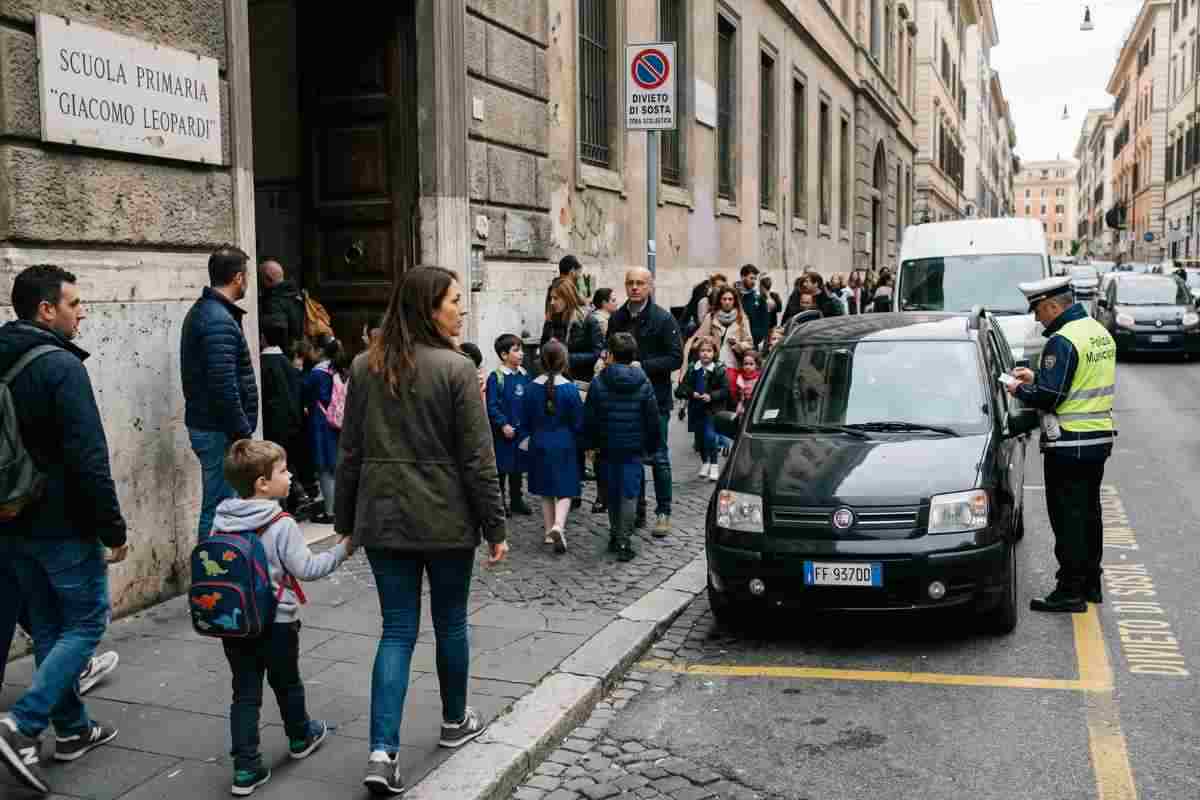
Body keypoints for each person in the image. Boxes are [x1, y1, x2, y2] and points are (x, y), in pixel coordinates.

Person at [334, 266, 508, 796]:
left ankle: (382, 753)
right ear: (429, 308)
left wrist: (345, 521)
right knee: (450, 623)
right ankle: (455, 721)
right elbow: (478, 458)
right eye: (454, 300)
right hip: (446, 519)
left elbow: (350, 452)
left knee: (396, 631)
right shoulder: (456, 369)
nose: (462, 309)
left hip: (384, 518)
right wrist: (495, 526)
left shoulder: (364, 365)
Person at [0, 264, 128, 794]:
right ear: (46, 309)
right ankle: (22, 724)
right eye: (74, 304)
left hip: (12, 518)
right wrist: (112, 527)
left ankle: (73, 731)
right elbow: (89, 457)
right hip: (62, 520)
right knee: (86, 622)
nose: (83, 313)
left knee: (50, 625)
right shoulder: (60, 366)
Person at [213, 440, 351, 795]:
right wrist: (343, 549)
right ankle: (300, 736)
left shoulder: (221, 518)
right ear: (262, 483)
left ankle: (246, 768)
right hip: (278, 622)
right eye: (283, 471)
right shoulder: (280, 522)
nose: (290, 476)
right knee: (287, 682)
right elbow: (307, 568)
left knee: (244, 693)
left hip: (236, 622)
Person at [1005, 276, 1116, 613]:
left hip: (1068, 442)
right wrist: (1037, 378)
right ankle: (1091, 583)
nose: (1037, 319)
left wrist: (1019, 388)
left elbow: (1050, 397)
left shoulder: (1062, 340)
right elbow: (1077, 381)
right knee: (1089, 514)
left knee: (1067, 518)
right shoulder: (1097, 332)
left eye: (1039, 311)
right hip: (1097, 438)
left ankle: (1069, 590)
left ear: (1053, 306)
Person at [182, 245, 259, 541]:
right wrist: (242, 433)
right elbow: (223, 384)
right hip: (219, 430)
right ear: (239, 277)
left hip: (215, 427)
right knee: (218, 508)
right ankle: (210, 566)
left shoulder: (210, 313)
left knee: (222, 505)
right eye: (247, 275)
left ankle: (221, 563)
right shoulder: (217, 319)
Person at [607, 267, 683, 536]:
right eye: (630, 283)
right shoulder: (617, 318)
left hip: (656, 399)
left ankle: (664, 512)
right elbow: (609, 349)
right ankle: (637, 510)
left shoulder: (663, 319)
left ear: (650, 286)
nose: (635, 287)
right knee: (632, 457)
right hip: (625, 400)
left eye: (640, 283)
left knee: (659, 457)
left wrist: (644, 366)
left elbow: (676, 358)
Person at [583, 333, 663, 561]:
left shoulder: (599, 381)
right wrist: (652, 445)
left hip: (606, 446)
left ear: (611, 354)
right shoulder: (643, 381)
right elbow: (652, 418)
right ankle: (624, 539)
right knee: (629, 493)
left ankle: (614, 533)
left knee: (612, 491)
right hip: (633, 447)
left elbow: (590, 417)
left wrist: (589, 444)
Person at [521, 341, 584, 555]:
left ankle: (549, 531)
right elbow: (578, 422)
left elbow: (525, 419)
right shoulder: (570, 389)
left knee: (545, 489)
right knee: (566, 488)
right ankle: (558, 524)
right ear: (563, 362)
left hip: (539, 441)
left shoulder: (530, 388)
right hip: (564, 442)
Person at [260, 316, 312, 518]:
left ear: (262, 337)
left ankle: (282, 508)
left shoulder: (263, 365)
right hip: (293, 426)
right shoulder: (288, 366)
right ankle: (294, 498)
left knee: (273, 469)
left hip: (273, 428)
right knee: (286, 466)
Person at [486, 334, 532, 516]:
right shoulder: (496, 377)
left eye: (521, 349)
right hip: (503, 433)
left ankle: (516, 500)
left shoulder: (524, 375)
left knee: (518, 467)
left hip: (520, 432)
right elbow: (491, 406)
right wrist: (503, 424)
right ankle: (500, 502)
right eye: (516, 350)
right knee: (502, 468)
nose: (521, 353)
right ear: (504, 355)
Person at [675, 336, 730, 481]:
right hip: (696, 409)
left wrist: (711, 396)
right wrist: (691, 393)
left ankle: (714, 465)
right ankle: (705, 463)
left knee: (710, 437)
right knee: (700, 440)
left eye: (709, 350)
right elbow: (682, 388)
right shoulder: (693, 368)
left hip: (712, 409)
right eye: (702, 350)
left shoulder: (719, 369)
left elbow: (725, 390)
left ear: (714, 353)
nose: (705, 353)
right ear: (698, 352)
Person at [303, 337, 344, 524]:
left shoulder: (317, 373)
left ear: (319, 351)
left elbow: (305, 392)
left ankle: (330, 512)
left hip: (321, 423)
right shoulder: (339, 370)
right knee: (336, 467)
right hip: (338, 422)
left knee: (325, 469)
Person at [542, 278, 602, 381]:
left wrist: (567, 357)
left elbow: (597, 354)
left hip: (580, 379)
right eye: (551, 298)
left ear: (567, 298)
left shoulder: (588, 321)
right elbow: (543, 347)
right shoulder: (551, 321)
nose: (552, 302)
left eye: (556, 298)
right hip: (555, 379)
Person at [687, 286, 755, 375]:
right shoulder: (711, 317)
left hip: (734, 366)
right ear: (720, 300)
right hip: (713, 366)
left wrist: (738, 344)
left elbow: (749, 343)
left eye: (730, 299)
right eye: (724, 299)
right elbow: (698, 340)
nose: (727, 302)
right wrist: (709, 340)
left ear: (734, 301)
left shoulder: (742, 318)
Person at [257, 259, 306, 346]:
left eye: (260, 278)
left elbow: (276, 331)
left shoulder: (274, 301)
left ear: (268, 278)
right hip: (296, 349)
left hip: (280, 350)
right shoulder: (295, 295)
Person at [738, 264, 770, 347]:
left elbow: (765, 321)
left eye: (755, 279)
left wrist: (760, 338)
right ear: (743, 277)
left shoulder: (758, 298)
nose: (753, 282)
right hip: (736, 340)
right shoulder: (733, 295)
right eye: (751, 278)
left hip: (753, 343)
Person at [732, 350, 764, 416]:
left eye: (751, 364)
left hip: (756, 404)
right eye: (745, 364)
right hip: (744, 404)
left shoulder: (759, 378)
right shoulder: (740, 378)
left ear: (757, 365)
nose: (748, 367)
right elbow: (739, 395)